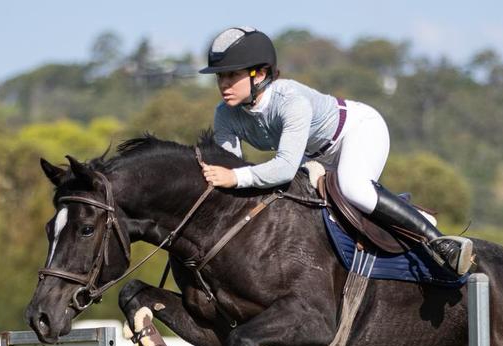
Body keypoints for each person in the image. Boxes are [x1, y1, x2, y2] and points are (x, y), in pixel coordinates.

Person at [196, 27, 474, 276]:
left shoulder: (290, 100)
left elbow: (279, 169)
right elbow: (230, 164)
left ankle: (437, 239)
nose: (223, 84)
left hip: (356, 130)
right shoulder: (225, 114)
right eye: (220, 76)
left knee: (353, 188)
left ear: (261, 73)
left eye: (232, 75)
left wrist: (236, 177)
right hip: (314, 155)